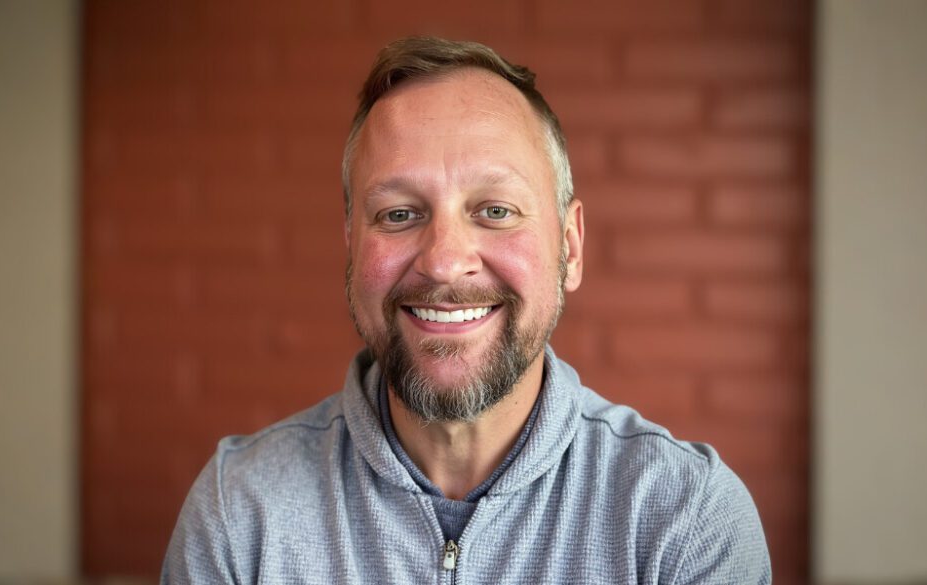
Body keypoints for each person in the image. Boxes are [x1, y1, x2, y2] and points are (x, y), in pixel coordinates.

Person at [162, 36, 770, 584]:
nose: (445, 262)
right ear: (351, 245)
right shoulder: (241, 515)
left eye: (495, 210)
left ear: (570, 246)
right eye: (399, 213)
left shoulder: (684, 520)